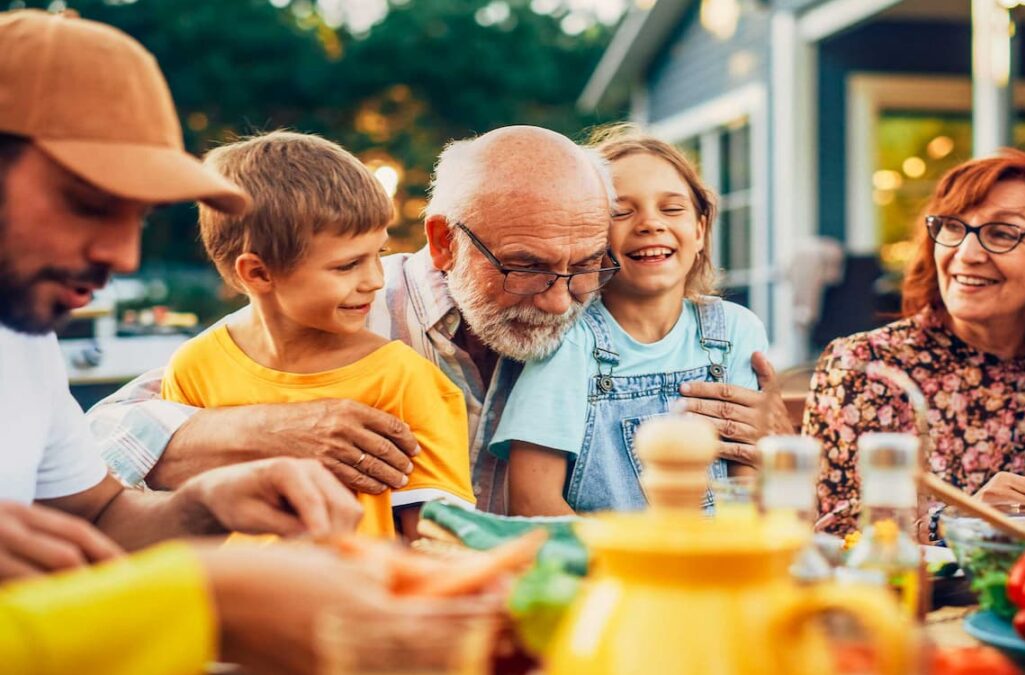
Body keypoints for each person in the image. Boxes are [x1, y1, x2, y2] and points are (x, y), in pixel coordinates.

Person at [89, 124, 794, 513]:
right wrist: (257, 426)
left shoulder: (603, 323)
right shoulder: (358, 311)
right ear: (442, 241)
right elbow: (98, 444)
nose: (559, 298)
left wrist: (774, 444)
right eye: (525, 266)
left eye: (585, 265)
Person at [0, 10, 397, 674]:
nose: (123, 256)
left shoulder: (24, 336)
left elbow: (95, 516)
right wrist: (215, 595)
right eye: (90, 203)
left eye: (139, 218)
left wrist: (206, 502)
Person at [161, 131, 474, 539]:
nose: (375, 280)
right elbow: (178, 516)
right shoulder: (193, 368)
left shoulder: (404, 379)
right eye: (347, 266)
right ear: (258, 273)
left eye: (378, 254)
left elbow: (436, 544)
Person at [490, 127, 769, 515]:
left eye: (671, 209)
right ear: (591, 234)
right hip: (610, 566)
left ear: (700, 230)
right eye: (621, 212)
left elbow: (746, 478)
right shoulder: (570, 341)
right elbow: (532, 499)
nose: (650, 224)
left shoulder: (737, 331)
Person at [806, 150, 1025, 537]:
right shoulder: (866, 366)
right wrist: (961, 521)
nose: (966, 255)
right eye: (953, 227)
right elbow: (833, 532)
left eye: (1002, 233)